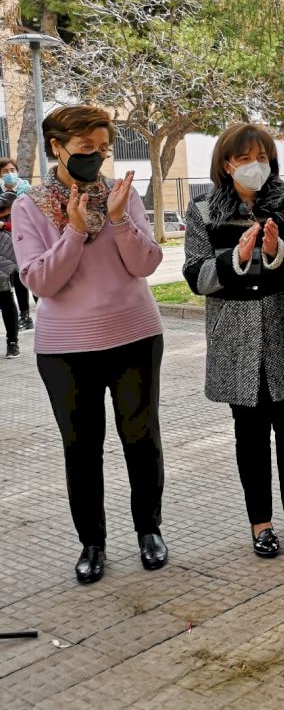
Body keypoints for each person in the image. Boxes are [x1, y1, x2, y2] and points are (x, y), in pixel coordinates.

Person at [10, 105, 167, 584]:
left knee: (141, 439)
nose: (96, 156)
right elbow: (41, 281)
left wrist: (119, 221)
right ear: (56, 147)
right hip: (66, 348)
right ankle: (92, 543)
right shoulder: (30, 206)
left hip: (135, 335)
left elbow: (146, 263)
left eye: (103, 148)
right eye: (85, 147)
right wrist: (76, 230)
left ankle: (149, 531)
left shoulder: (121, 195)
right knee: (81, 448)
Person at [183, 123, 284, 558]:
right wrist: (238, 258)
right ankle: (260, 522)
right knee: (249, 433)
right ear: (226, 164)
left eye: (262, 157)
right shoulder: (203, 209)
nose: (254, 165)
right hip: (235, 337)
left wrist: (275, 253)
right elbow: (196, 276)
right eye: (244, 158)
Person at [1, 157, 35, 330]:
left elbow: (29, 220)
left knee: (28, 277)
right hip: (5, 245)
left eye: (12, 170)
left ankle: (35, 314)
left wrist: (4, 224)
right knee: (13, 279)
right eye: (5, 171)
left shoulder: (27, 191)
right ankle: (24, 316)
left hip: (26, 241)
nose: (9, 174)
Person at [0, 191, 21, 357]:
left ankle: (12, 343)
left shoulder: (17, 212)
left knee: (6, 301)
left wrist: (3, 225)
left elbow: (22, 229)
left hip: (4, 266)